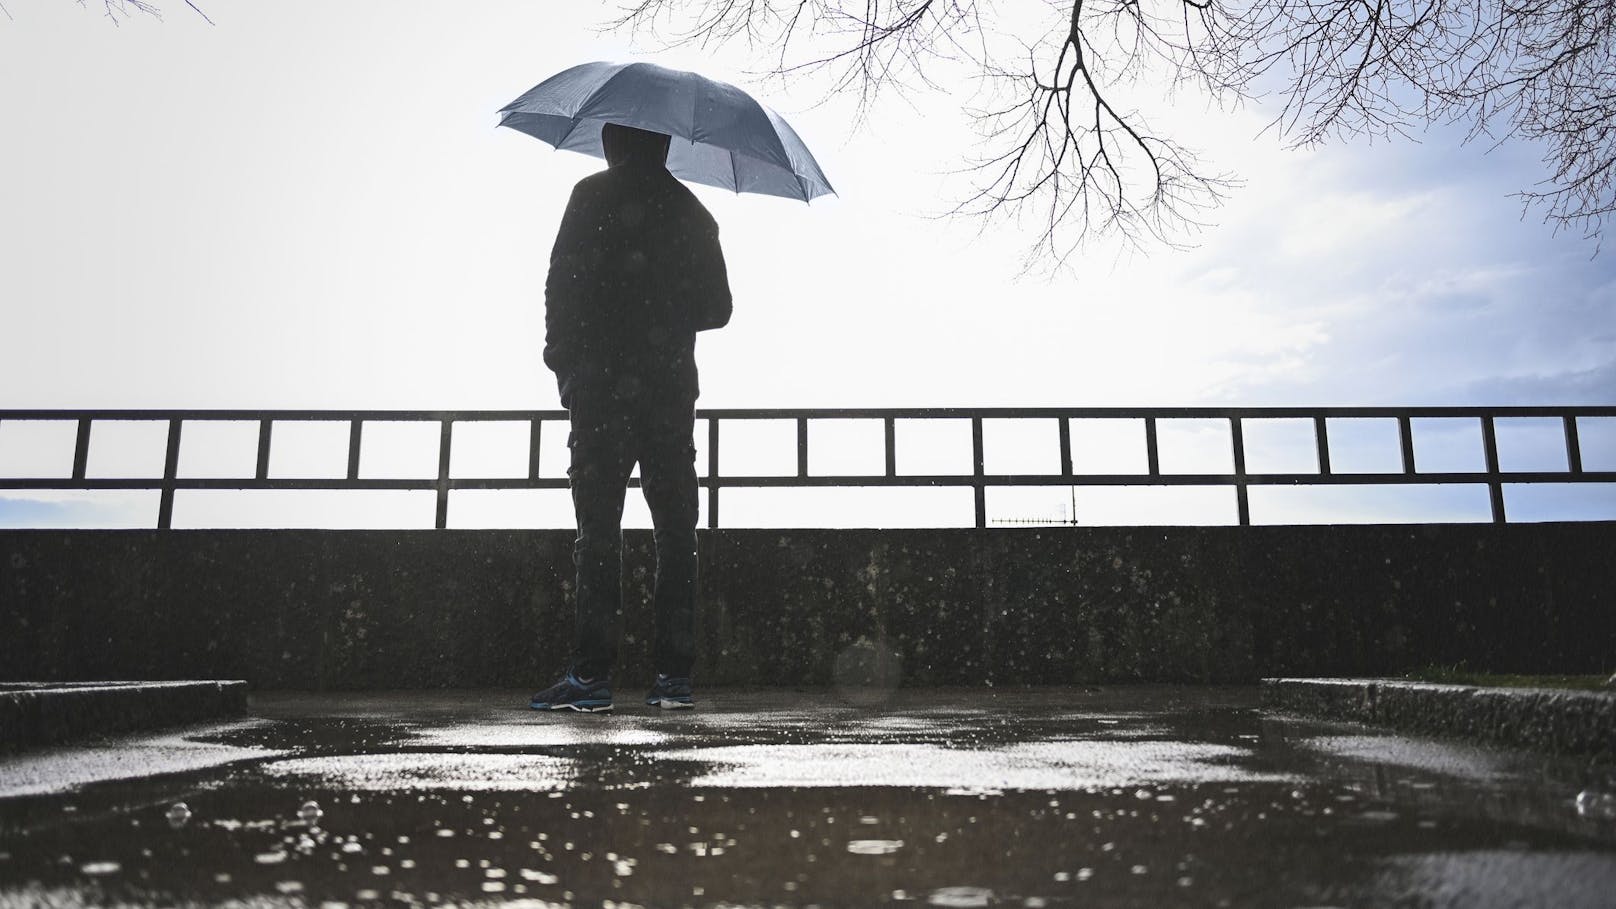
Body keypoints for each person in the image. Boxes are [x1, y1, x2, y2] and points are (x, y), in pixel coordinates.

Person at [530, 122, 732, 713]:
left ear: (611, 143)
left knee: (598, 534)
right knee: (676, 535)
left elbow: (559, 286)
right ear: (666, 144)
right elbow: (717, 309)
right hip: (669, 395)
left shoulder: (589, 196)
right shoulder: (692, 211)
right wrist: (666, 299)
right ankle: (674, 679)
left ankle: (591, 677)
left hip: (599, 395)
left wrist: (565, 365)